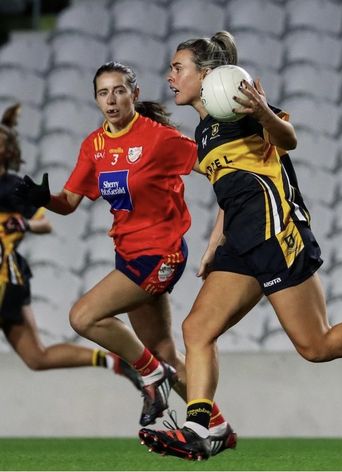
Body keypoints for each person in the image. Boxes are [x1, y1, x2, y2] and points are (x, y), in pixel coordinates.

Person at [138, 31, 342, 461]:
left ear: (206, 74)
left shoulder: (238, 103)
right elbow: (235, 183)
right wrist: (217, 238)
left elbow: (288, 139)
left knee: (315, 346)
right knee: (196, 330)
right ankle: (202, 427)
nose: (170, 76)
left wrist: (265, 113)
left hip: (275, 232)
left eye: (178, 68)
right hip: (241, 239)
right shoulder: (205, 128)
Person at [14, 63, 236, 454]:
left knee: (83, 317)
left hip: (162, 253)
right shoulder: (94, 146)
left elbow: (219, 170)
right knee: (163, 349)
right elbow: (68, 202)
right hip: (128, 254)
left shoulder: (160, 139)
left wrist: (226, 225)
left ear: (134, 93)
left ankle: (151, 376)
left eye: (119, 91)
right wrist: (41, 198)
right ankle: (216, 425)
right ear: (95, 99)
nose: (111, 99)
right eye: (103, 93)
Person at [0, 103, 142, 390]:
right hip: (13, 279)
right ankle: (112, 361)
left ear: (8, 151)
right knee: (36, 357)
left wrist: (25, 225)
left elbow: (44, 223)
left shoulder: (10, 186)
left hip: (6, 276)